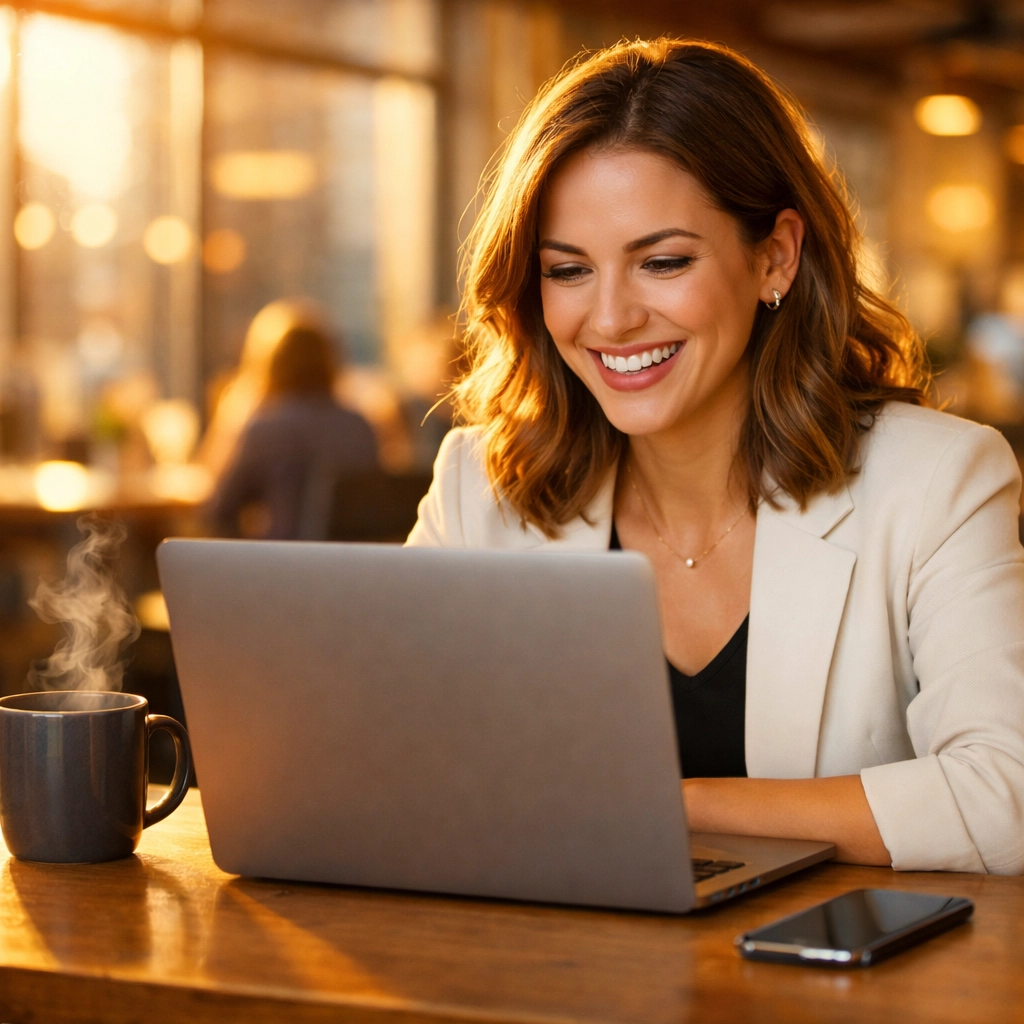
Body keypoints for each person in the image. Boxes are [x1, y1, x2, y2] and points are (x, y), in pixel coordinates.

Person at [406, 38, 1024, 874]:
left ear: (775, 256)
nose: (612, 318)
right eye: (568, 270)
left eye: (663, 262)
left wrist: (669, 805)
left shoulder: (940, 482)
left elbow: (1005, 799)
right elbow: (397, 764)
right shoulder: (479, 485)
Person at [208, 322, 377, 539]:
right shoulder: (360, 426)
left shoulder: (265, 428)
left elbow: (219, 510)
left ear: (270, 366)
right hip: (350, 563)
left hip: (282, 562)